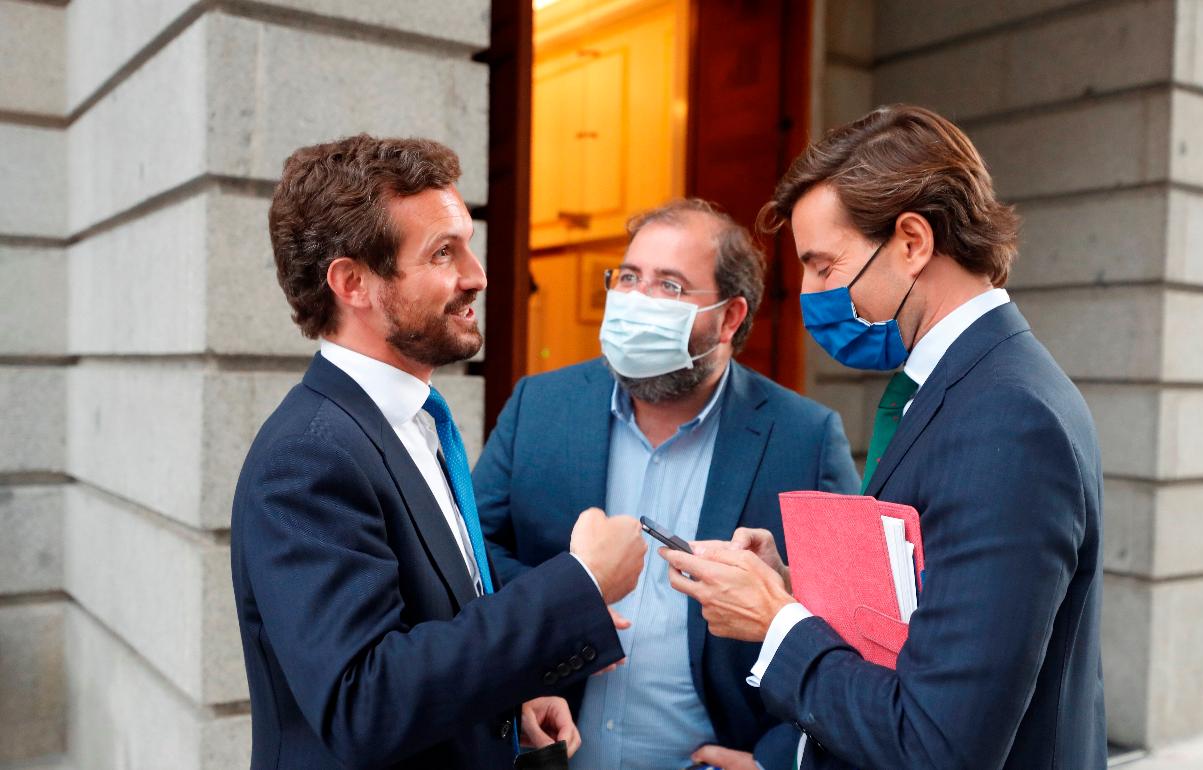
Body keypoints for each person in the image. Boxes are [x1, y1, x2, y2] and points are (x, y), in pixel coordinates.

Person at [661, 105, 1106, 769]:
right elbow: (935, 620)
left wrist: (775, 623)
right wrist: (794, 586)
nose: (809, 295)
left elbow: (939, 744)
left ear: (911, 243)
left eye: (824, 265)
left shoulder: (1008, 419)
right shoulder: (965, 386)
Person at [231, 134, 647, 769]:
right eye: (443, 253)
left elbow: (436, 626)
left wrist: (513, 691)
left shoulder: (413, 421)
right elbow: (361, 702)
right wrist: (579, 584)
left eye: (467, 246)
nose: (476, 275)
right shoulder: (309, 455)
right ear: (353, 283)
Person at [474, 199, 860, 770]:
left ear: (730, 318)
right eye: (628, 277)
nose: (636, 300)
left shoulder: (803, 438)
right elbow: (472, 555)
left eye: (670, 286)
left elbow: (849, 625)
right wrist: (542, 638)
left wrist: (778, 760)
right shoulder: (540, 406)